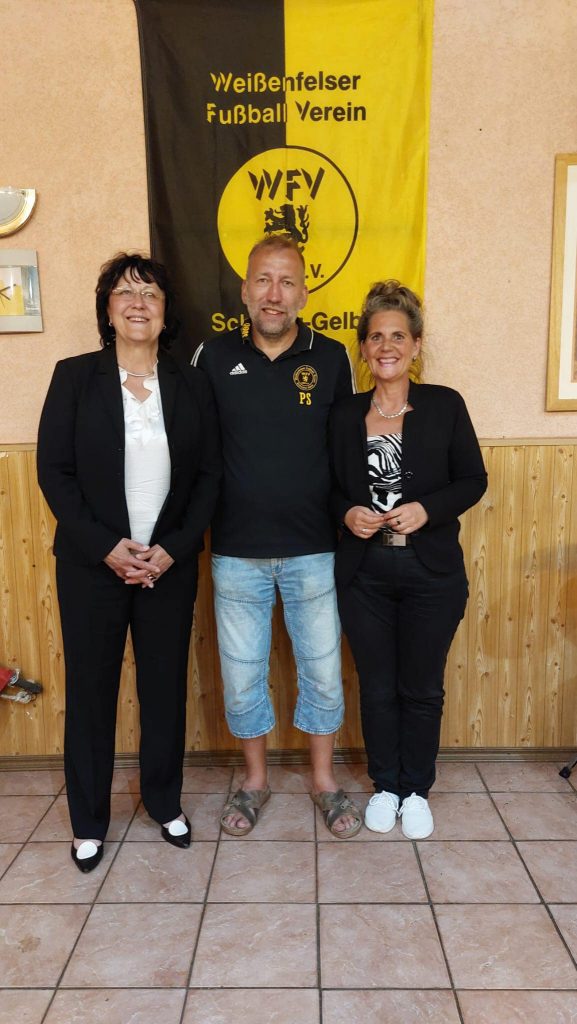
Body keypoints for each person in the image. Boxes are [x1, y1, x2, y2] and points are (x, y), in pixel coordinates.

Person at [37, 253, 221, 871]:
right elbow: (55, 473)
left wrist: (173, 548)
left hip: (168, 565)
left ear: (166, 313)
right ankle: (88, 821)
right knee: (91, 692)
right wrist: (107, 547)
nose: (138, 303)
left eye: (151, 294)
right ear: (107, 310)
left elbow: (209, 477)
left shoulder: (192, 384)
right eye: (125, 292)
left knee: (164, 690)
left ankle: (164, 802)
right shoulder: (74, 377)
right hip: (92, 566)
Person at [193, 235, 362, 838]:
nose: (274, 293)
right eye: (263, 280)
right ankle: (255, 780)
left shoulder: (332, 357)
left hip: (315, 548)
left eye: (287, 282)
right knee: (242, 676)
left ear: (304, 294)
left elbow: (348, 452)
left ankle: (324, 782)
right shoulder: (211, 356)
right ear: (244, 290)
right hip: (235, 551)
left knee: (322, 672)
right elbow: (194, 449)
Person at [329, 281, 487, 839]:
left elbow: (473, 479)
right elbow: (326, 489)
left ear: (416, 345)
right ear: (364, 348)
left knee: (421, 687)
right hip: (363, 575)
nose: (387, 346)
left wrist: (427, 509)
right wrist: (347, 512)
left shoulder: (444, 405)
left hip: (431, 573)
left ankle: (416, 789)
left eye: (398, 335)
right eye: (376, 337)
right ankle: (386, 785)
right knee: (376, 687)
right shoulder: (344, 413)